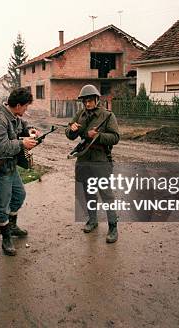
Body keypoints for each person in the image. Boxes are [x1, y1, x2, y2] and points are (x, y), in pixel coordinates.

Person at [0, 87, 38, 256]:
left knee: (19, 195)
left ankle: (12, 226)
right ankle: (6, 237)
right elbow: (0, 149)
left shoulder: (12, 115)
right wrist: (23, 144)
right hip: (0, 170)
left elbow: (21, 125)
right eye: (26, 107)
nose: (26, 110)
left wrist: (29, 131)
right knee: (2, 205)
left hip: (11, 167)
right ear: (18, 105)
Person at [65, 84, 120, 243]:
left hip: (100, 159)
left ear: (97, 99)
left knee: (106, 194)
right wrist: (73, 130)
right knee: (88, 192)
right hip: (83, 158)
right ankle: (93, 220)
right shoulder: (80, 114)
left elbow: (115, 137)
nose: (87, 104)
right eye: (85, 101)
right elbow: (69, 134)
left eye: (90, 100)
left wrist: (98, 136)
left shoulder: (107, 116)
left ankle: (113, 226)